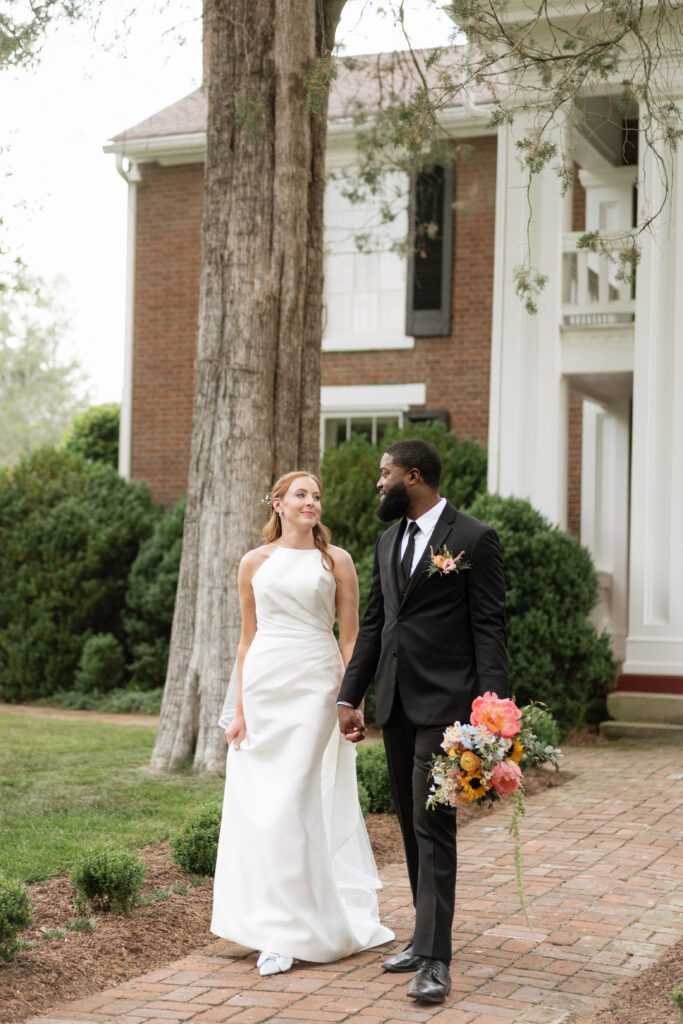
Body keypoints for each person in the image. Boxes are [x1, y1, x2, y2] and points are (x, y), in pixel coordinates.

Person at [337, 439, 508, 1005]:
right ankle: (421, 937)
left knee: (433, 826)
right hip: (397, 706)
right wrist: (350, 695)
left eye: (384, 474)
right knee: (412, 824)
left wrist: (494, 716)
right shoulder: (388, 541)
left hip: (450, 709)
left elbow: (490, 631)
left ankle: (436, 960)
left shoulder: (473, 539)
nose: (377, 484)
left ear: (413, 476)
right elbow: (375, 625)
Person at [211, 470, 394, 976]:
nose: (311, 502)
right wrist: (241, 711)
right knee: (262, 806)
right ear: (278, 504)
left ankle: (291, 933)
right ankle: (264, 921)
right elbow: (248, 639)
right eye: (300, 495)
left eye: (315, 496)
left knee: (295, 800)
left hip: (317, 685)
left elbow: (351, 639)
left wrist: (350, 698)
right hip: (265, 686)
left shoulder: (336, 561)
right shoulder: (253, 562)